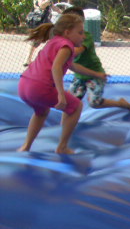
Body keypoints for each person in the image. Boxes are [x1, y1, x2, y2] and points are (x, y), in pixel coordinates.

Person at [17, 14, 107, 154]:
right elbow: (56, 67)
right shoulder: (66, 46)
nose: (83, 36)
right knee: (76, 106)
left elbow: (73, 66)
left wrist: (96, 74)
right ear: (67, 32)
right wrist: (61, 94)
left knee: (41, 113)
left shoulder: (54, 42)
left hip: (24, 85)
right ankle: (62, 147)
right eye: (80, 33)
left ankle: (26, 146)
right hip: (41, 87)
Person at [62, 7, 130, 113]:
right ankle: (65, 122)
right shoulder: (65, 39)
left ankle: (120, 103)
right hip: (79, 76)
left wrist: (61, 51)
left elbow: (77, 51)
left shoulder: (85, 36)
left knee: (94, 103)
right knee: (70, 102)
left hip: (94, 74)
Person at [24, 0, 61, 66]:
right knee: (38, 39)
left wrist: (62, 12)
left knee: (53, 37)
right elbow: (42, 6)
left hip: (46, 19)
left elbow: (51, 6)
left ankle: (48, 58)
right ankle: (29, 60)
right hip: (40, 19)